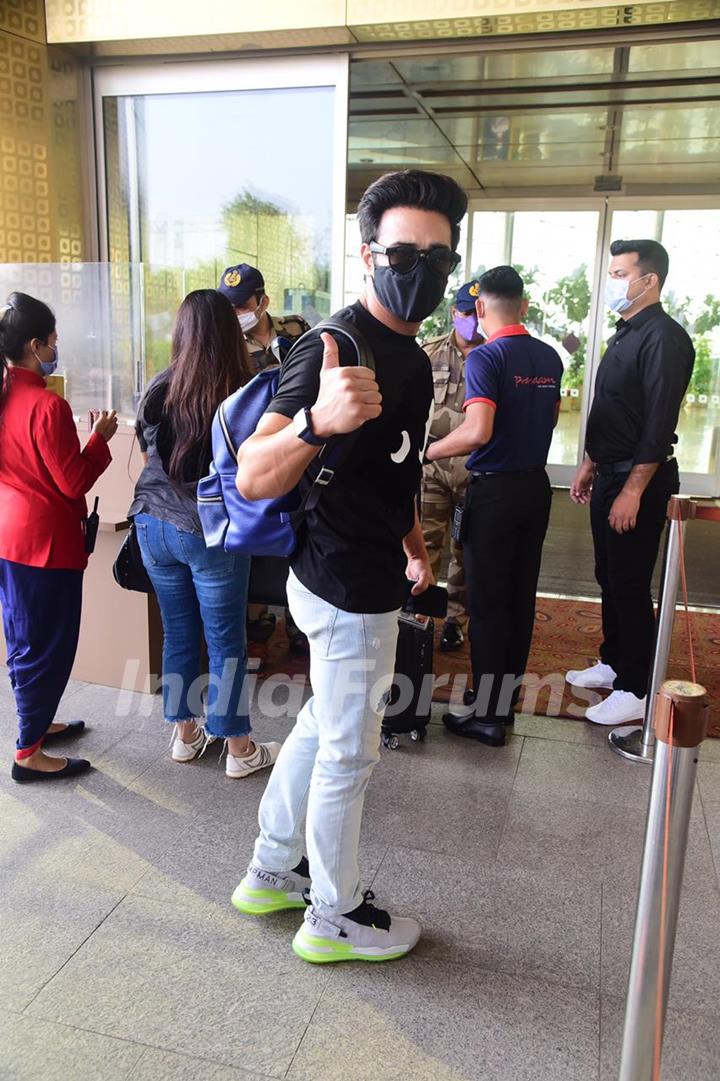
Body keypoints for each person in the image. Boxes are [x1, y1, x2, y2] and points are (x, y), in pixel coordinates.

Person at [231, 170, 467, 963]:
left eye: (439, 255)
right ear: (369, 255)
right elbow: (255, 473)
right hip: (344, 587)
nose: (421, 268)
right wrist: (314, 418)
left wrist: (414, 543)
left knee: (318, 728)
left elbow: (393, 465)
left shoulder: (412, 351)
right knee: (351, 753)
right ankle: (332, 914)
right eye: (405, 251)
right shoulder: (331, 345)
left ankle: (270, 867)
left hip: (352, 569)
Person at [129, 289, 281, 778]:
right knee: (225, 638)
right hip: (210, 529)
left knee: (179, 630)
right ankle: (238, 748)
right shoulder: (245, 389)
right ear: (227, 331)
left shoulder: (158, 387)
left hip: (152, 523)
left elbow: (148, 449)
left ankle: (185, 735)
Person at [426, 266, 563, 748]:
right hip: (535, 489)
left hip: (494, 493)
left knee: (486, 605)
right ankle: (502, 708)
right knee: (519, 601)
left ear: (481, 307)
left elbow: (478, 429)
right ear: (522, 305)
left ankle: (484, 716)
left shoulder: (487, 356)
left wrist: (429, 451)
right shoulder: (549, 357)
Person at [567, 239, 694, 726]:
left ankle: (635, 688)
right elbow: (616, 409)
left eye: (620, 273)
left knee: (629, 582)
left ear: (649, 281)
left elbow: (657, 424)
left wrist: (634, 490)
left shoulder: (664, 337)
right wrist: (590, 463)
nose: (613, 281)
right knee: (608, 576)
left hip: (639, 481)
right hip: (609, 471)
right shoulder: (626, 332)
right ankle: (614, 661)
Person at [0, 292, 117, 782]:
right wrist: (99, 440)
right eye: (52, 341)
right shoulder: (46, 405)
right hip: (45, 544)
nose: (55, 348)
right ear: (34, 345)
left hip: (11, 535)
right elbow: (72, 481)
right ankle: (29, 751)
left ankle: (39, 722)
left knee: (25, 636)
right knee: (47, 644)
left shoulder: (5, 394)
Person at [218, 262, 310, 654]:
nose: (235, 312)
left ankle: (299, 627)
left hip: (302, 448)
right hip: (253, 453)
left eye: (242, 304)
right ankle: (257, 621)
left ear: (262, 301)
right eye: (230, 305)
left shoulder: (297, 329)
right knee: (258, 538)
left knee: (300, 534)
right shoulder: (225, 343)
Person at [421, 279, 484, 652]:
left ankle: (455, 620)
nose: (470, 321)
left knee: (465, 548)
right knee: (425, 544)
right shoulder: (427, 354)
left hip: (475, 473)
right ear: (453, 313)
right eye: (464, 314)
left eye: (476, 314)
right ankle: (422, 616)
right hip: (431, 468)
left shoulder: (496, 354)